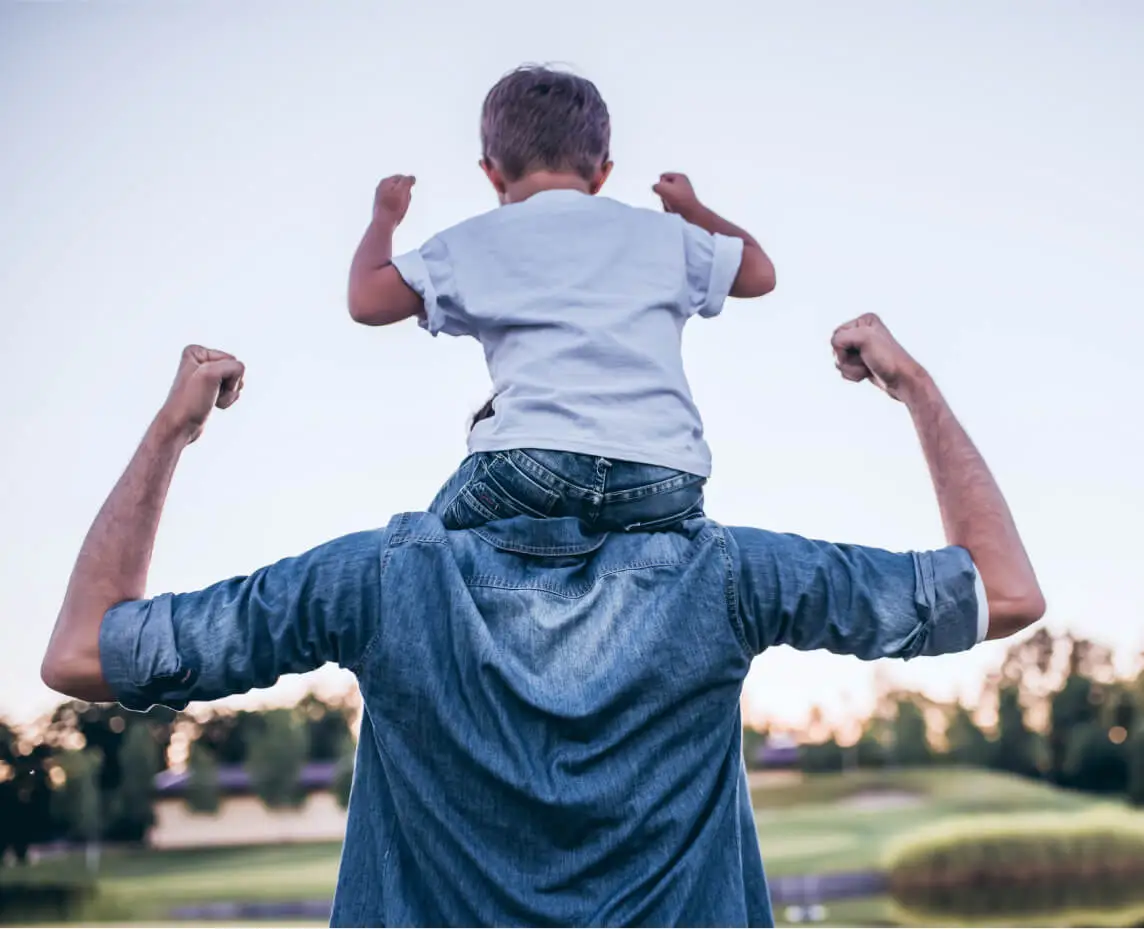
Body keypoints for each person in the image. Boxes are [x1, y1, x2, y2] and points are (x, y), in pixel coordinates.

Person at [40, 314, 1044, 927]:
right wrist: (910, 383)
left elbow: (85, 649)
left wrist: (175, 428)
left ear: (483, 449)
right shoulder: (726, 574)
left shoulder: (379, 579)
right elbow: (1003, 591)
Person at [346, 65, 777, 532]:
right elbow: (759, 273)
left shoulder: (475, 241)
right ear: (602, 174)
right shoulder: (664, 235)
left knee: (424, 548)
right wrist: (692, 210)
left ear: (491, 174)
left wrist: (384, 219)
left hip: (533, 465)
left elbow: (367, 300)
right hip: (666, 475)